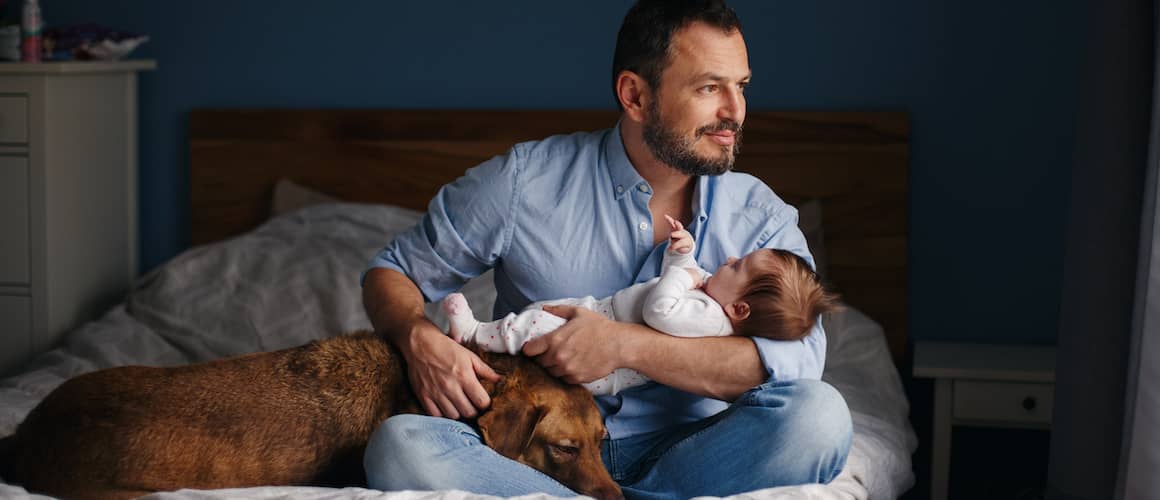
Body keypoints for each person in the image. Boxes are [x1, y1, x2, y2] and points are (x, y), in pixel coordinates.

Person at [360, 0, 853, 497]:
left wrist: (623, 345)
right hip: (537, 453)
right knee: (401, 446)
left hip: (693, 451)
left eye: (741, 86)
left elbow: (798, 363)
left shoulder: (761, 217)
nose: (735, 112)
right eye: (709, 88)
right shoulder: (523, 182)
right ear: (634, 95)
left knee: (820, 417)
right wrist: (417, 337)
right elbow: (393, 271)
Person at [441, 214, 840, 396]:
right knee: (540, 314)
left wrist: (684, 275)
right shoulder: (713, 304)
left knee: (532, 329)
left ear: (739, 311)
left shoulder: (707, 318)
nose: (730, 259)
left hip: (605, 365)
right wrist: (682, 257)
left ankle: (475, 334)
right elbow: (671, 291)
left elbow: (659, 311)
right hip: (598, 312)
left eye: (740, 267)